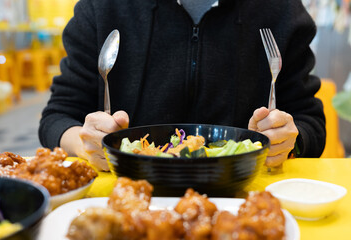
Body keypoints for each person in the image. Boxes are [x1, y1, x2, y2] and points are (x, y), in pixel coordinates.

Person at [39, 0, 326, 171]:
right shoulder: (102, 7)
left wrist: (289, 141)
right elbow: (57, 117)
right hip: (124, 195)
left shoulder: (282, 10)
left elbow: (309, 122)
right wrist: (84, 141)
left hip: (245, 196)